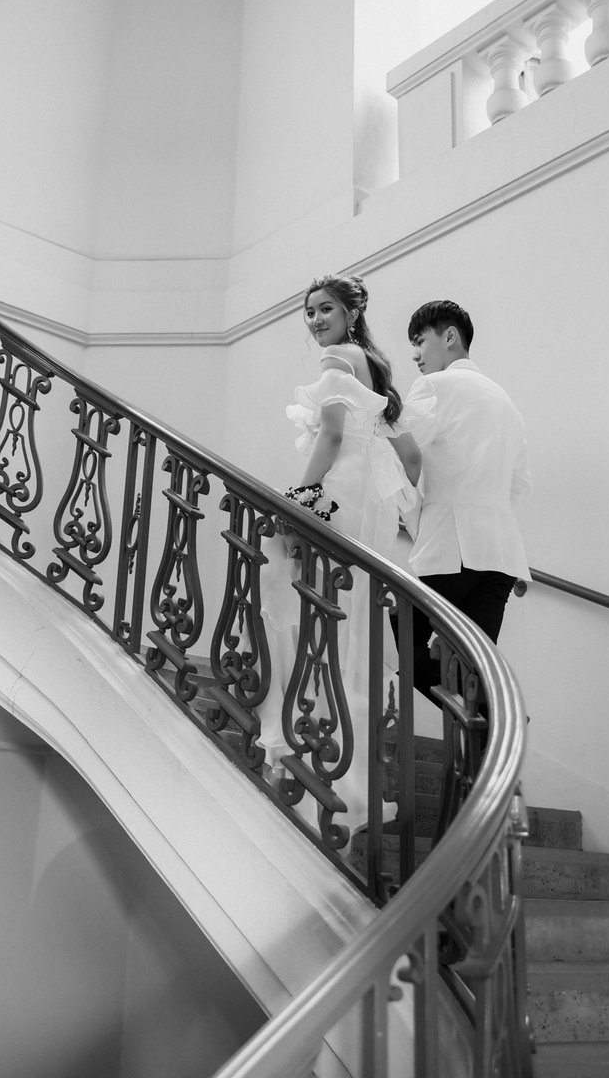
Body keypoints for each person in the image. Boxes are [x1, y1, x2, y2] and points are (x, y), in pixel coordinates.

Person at [256, 273, 421, 846]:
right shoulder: (376, 366)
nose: (315, 319)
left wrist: (295, 500)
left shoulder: (338, 359)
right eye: (308, 312)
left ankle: (310, 744)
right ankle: (347, 769)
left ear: (351, 311)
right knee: (348, 623)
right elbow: (412, 455)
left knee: (305, 604)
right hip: (366, 505)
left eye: (325, 308)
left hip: (339, 495)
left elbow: (328, 437)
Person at [401, 300, 531, 698]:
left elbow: (403, 454)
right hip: (501, 557)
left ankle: (491, 724)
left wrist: (407, 516)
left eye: (421, 341)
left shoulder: (435, 387)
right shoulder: (506, 402)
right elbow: (518, 484)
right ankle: (491, 733)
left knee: (402, 635)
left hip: (451, 547)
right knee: (475, 671)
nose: (415, 354)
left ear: (450, 336)